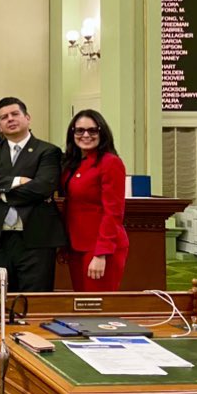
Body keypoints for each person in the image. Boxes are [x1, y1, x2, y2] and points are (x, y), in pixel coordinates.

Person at [0, 97, 66, 292]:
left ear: (27, 117)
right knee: (1, 300)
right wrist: (19, 181)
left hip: (36, 239)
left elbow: (43, 187)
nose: (10, 119)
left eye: (15, 114)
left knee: (34, 302)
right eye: (4, 117)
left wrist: (0, 190)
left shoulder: (48, 151)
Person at [61, 110, 129, 292]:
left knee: (97, 309)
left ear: (102, 133)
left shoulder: (110, 163)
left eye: (92, 130)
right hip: (76, 245)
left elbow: (113, 212)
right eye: (80, 130)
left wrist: (102, 254)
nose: (85, 135)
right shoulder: (73, 164)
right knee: (82, 306)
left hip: (100, 247)